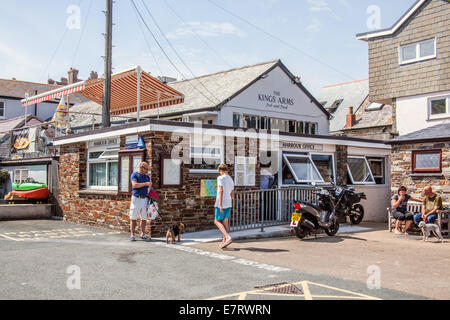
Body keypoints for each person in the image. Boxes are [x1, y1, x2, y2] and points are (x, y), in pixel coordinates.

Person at [129, 162, 152, 242]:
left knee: (144, 217)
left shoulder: (146, 176)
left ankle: (142, 234)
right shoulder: (134, 175)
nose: (147, 171)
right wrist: (145, 184)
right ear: (141, 167)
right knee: (133, 217)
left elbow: (149, 187)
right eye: (146, 169)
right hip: (136, 198)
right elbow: (134, 185)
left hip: (145, 198)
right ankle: (132, 235)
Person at [214, 164, 234, 249]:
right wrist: (230, 200)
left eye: (219, 172)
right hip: (229, 202)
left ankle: (228, 237)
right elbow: (232, 192)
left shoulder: (220, 178)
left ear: (221, 171)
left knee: (216, 221)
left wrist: (220, 205)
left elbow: (221, 190)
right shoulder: (230, 179)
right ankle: (224, 241)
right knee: (225, 221)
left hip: (221, 202)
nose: (220, 173)